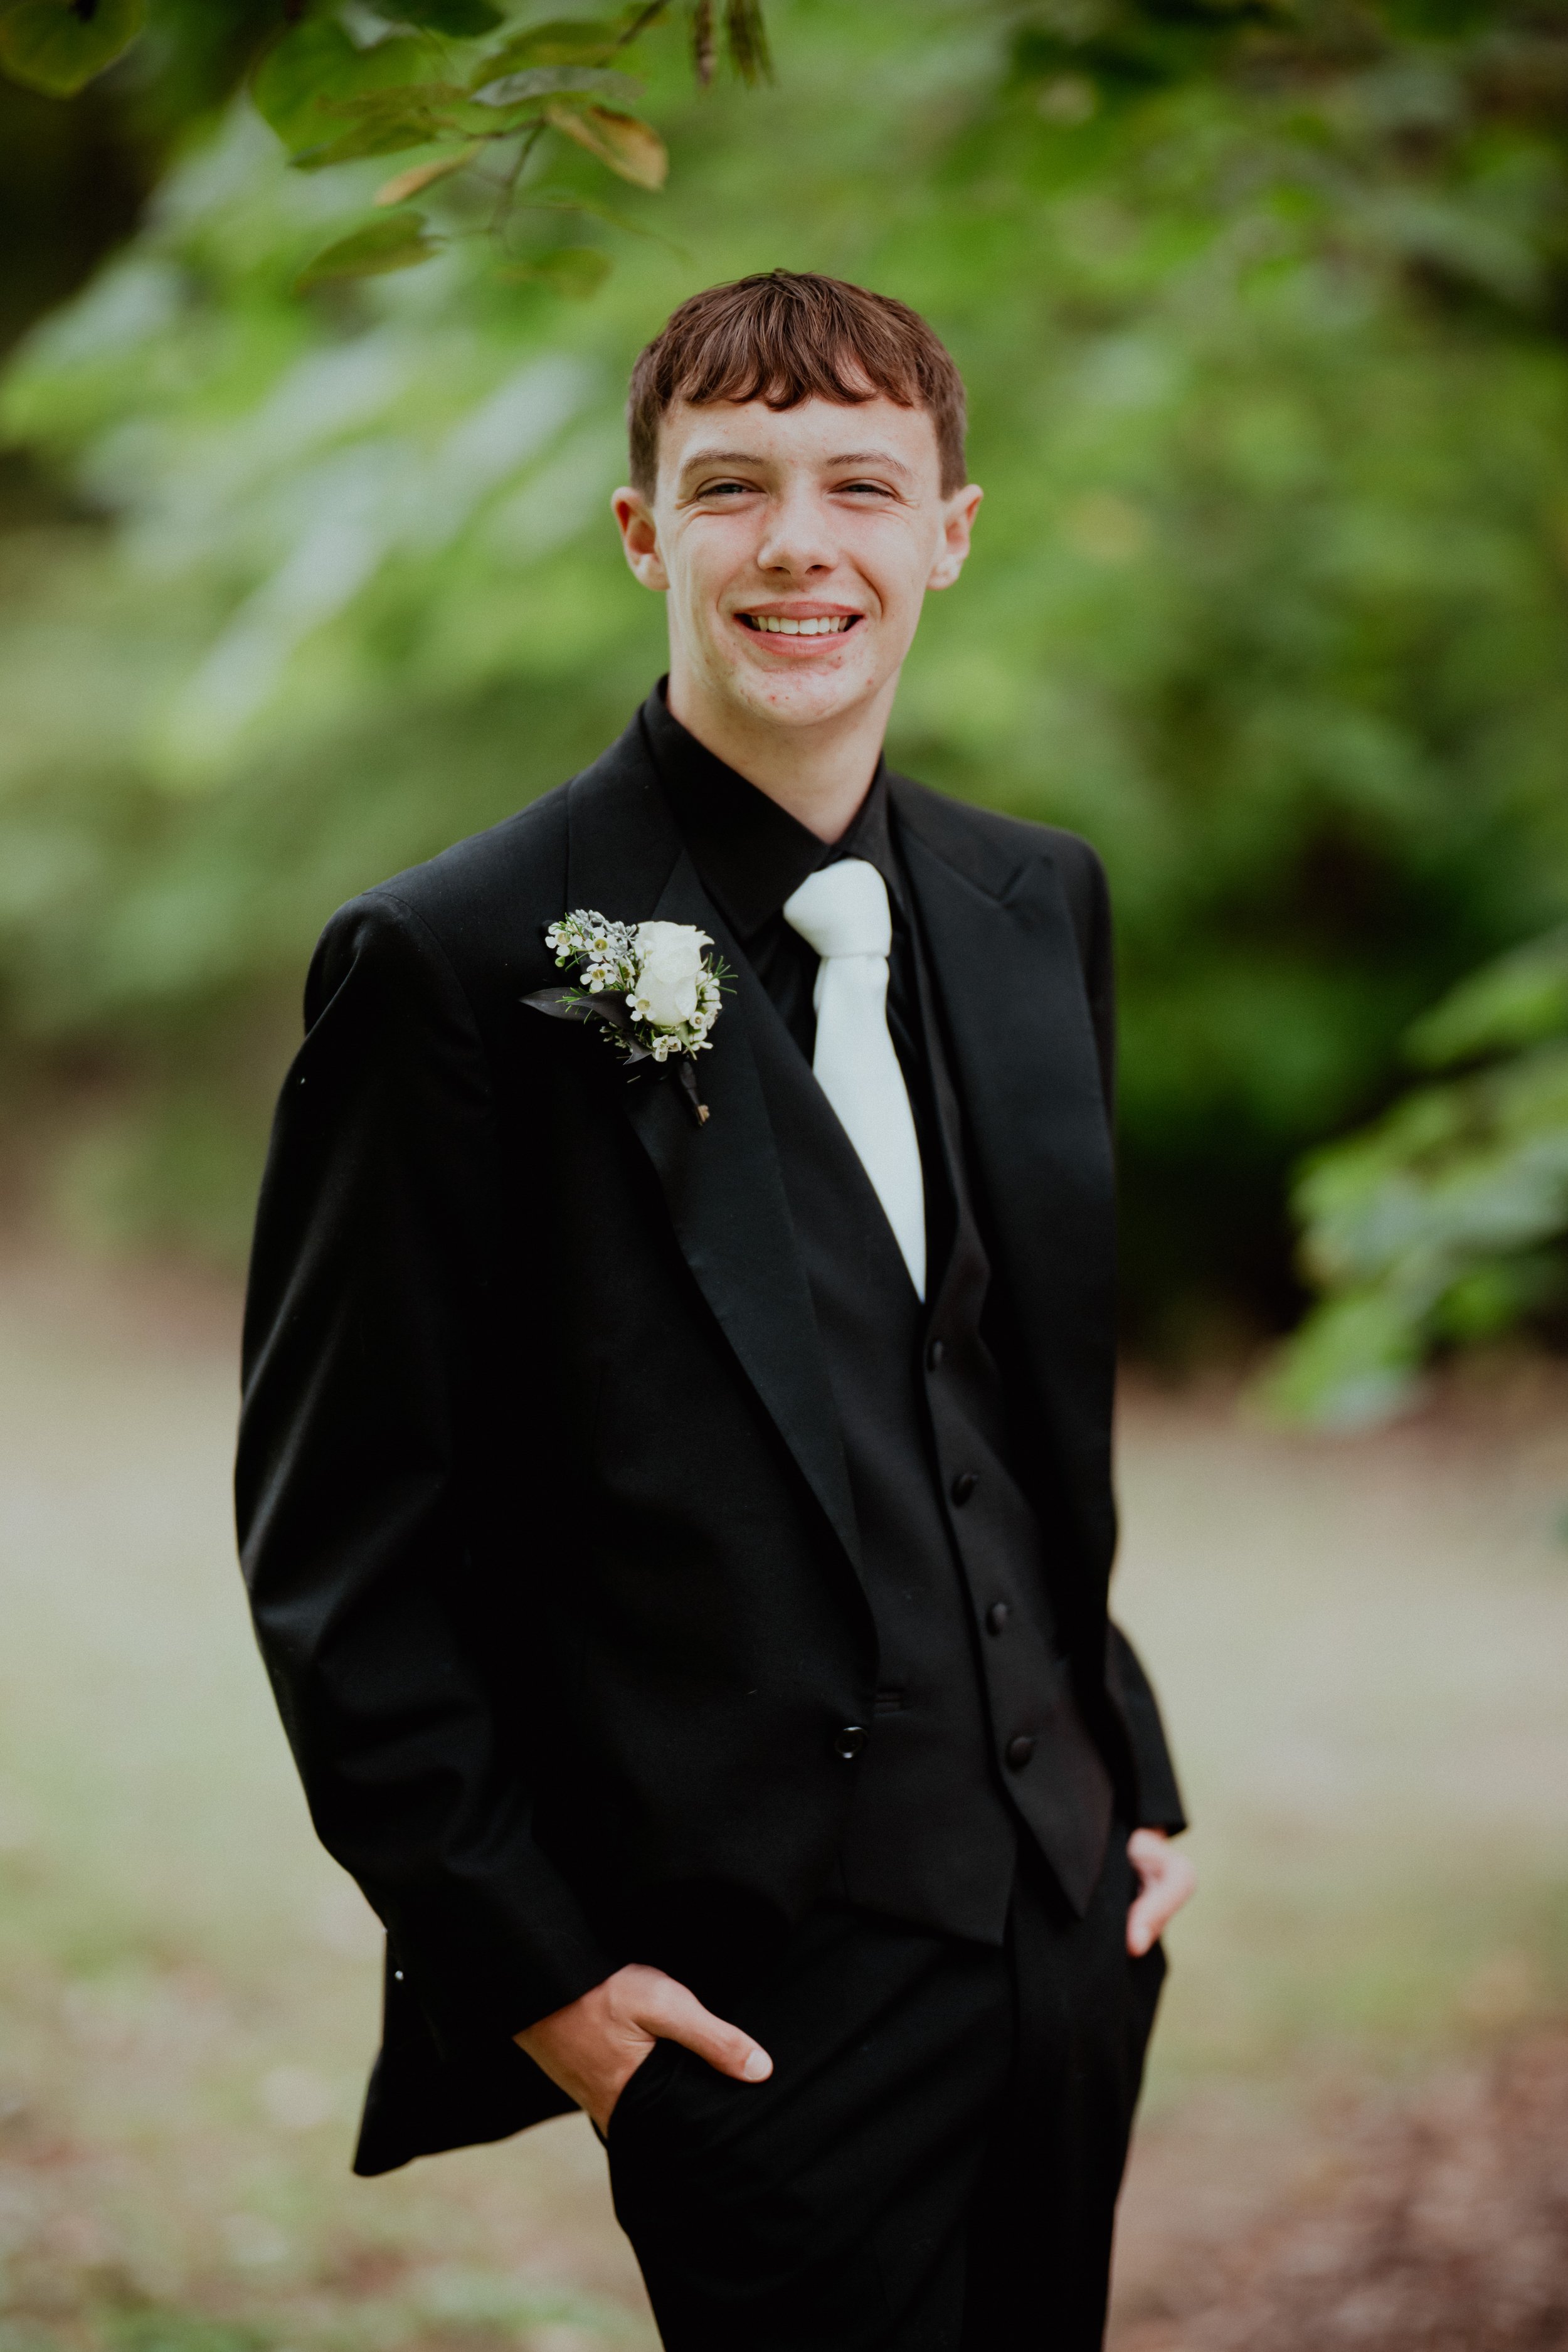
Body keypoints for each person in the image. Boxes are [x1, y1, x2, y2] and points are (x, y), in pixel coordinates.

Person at [236, 269, 1195, 2352]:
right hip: (742, 2001)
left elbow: (1010, 1406)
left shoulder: (1041, 906)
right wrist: (544, 1988)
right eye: (731, 483)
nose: (797, 543)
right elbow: (343, 1552)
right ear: (641, 531)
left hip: (1062, 1932)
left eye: (862, 483)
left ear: (946, 531)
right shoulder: (457, 961)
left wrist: (1127, 1772)